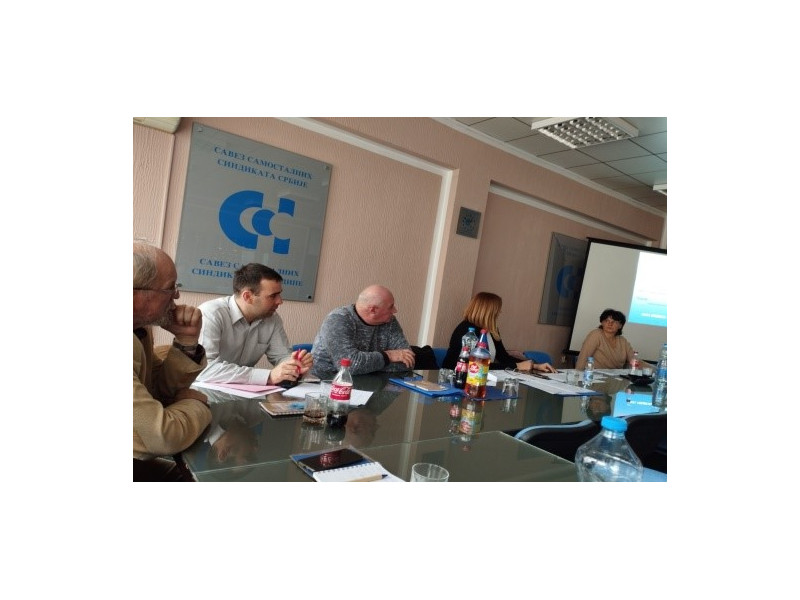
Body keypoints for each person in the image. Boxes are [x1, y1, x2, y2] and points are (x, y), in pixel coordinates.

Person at [133, 242, 212, 481]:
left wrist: (186, 342)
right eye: (170, 287)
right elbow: (162, 436)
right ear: (135, 294)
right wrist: (196, 403)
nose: (176, 295)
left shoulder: (139, 329)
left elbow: (157, 392)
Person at [196, 263, 311, 385]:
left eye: (279, 294)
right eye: (273, 296)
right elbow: (204, 369)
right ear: (248, 296)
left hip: (246, 392)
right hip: (206, 391)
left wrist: (294, 364)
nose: (280, 301)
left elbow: (281, 356)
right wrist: (268, 376)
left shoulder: (272, 318)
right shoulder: (211, 314)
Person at [311, 284, 415, 376]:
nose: (395, 310)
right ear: (373, 310)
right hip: (328, 382)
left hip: (372, 384)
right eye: (390, 307)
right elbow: (350, 366)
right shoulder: (338, 319)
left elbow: (408, 362)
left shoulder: (390, 321)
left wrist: (365, 366)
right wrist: (389, 356)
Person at [442, 292, 557, 372]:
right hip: (457, 378)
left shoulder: (491, 329)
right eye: (497, 309)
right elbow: (474, 366)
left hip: (483, 379)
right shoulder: (466, 331)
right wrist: (517, 366)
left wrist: (534, 365)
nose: (499, 312)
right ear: (488, 312)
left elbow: (503, 357)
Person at [575, 308, 651, 370]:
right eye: (606, 321)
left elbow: (634, 360)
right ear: (602, 323)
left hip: (615, 378)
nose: (610, 324)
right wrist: (577, 376)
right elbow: (583, 358)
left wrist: (654, 369)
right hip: (594, 375)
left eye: (614, 322)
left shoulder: (623, 341)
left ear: (620, 326)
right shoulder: (596, 334)